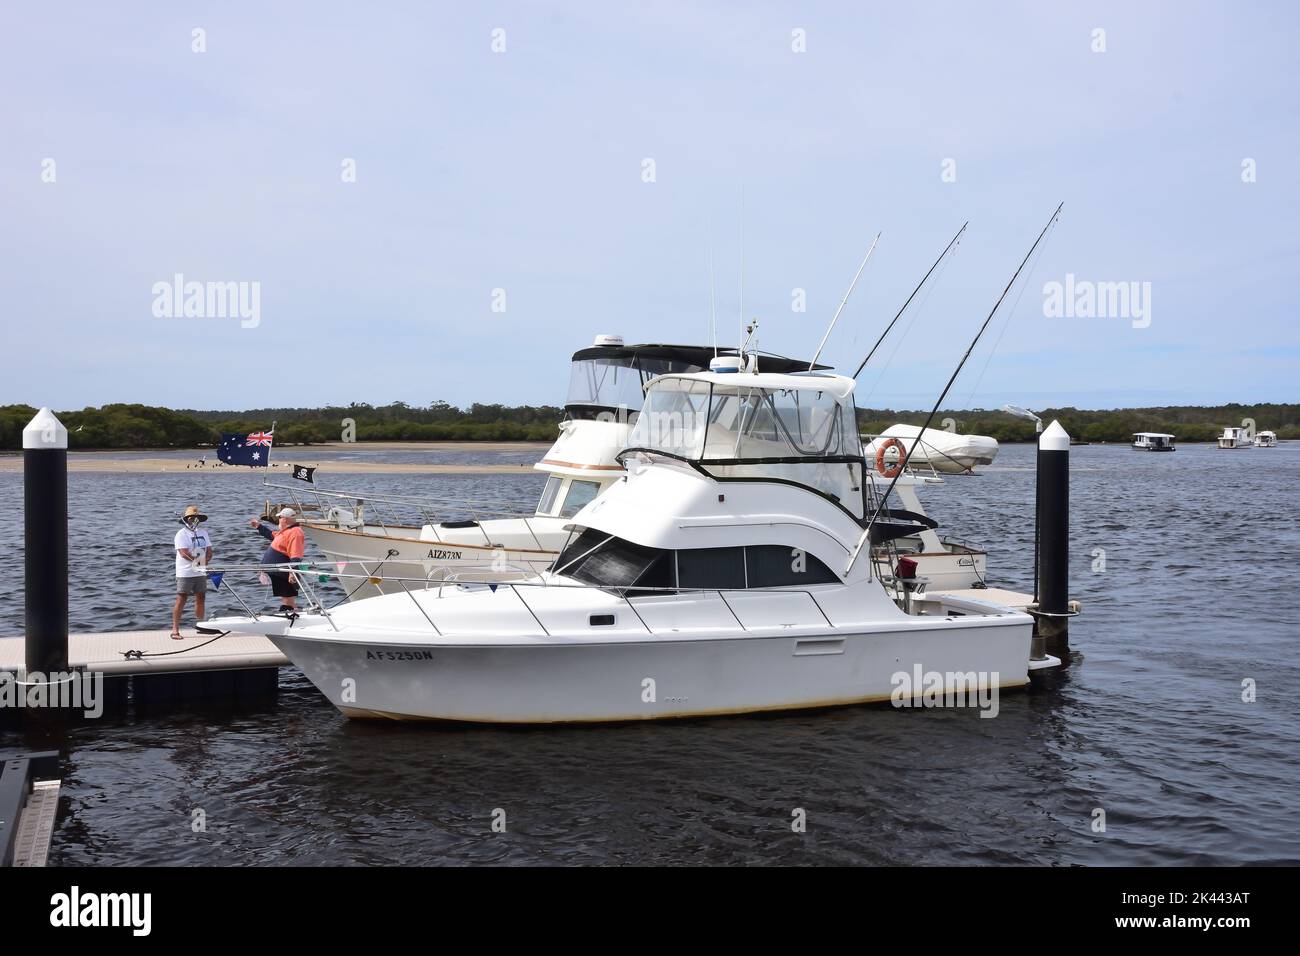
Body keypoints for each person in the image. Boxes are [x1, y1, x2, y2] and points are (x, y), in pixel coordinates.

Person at [249, 507, 306, 613]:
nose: (278, 520)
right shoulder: (286, 531)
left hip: (284, 571)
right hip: (278, 571)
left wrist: (292, 572)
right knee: (285, 596)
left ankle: (292, 613)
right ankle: (289, 611)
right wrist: (259, 526)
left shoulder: (295, 532)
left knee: (288, 596)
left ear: (285, 519)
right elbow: (272, 535)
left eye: (279, 518)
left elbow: (296, 553)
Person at [173, 505, 213, 639]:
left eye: (197, 518)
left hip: (200, 570)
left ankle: (201, 625)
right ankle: (175, 630)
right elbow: (183, 553)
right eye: (191, 518)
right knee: (182, 598)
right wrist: (198, 562)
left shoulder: (203, 532)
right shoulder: (181, 534)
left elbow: (209, 550)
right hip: (185, 572)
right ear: (186, 519)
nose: (194, 520)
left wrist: (206, 561)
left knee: (201, 597)